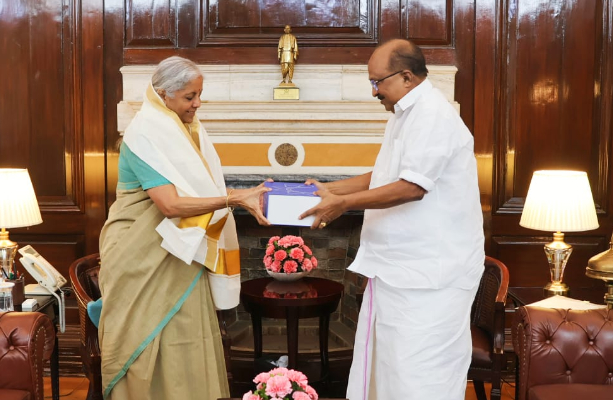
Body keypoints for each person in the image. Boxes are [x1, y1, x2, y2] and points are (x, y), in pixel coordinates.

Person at [299, 39, 485, 399]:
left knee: (419, 376)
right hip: (400, 270)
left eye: (377, 82)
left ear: (405, 77)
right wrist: (331, 189)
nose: (373, 92)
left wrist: (343, 205)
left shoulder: (432, 114)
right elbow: (386, 175)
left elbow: (412, 187)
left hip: (430, 276)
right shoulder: (405, 113)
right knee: (391, 371)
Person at [98, 56, 270, 400]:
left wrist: (233, 198)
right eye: (190, 96)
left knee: (189, 333)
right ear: (164, 94)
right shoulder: (145, 134)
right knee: (147, 338)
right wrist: (232, 200)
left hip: (181, 250)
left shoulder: (185, 130)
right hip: (140, 255)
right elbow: (171, 205)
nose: (197, 103)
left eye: (199, 95)